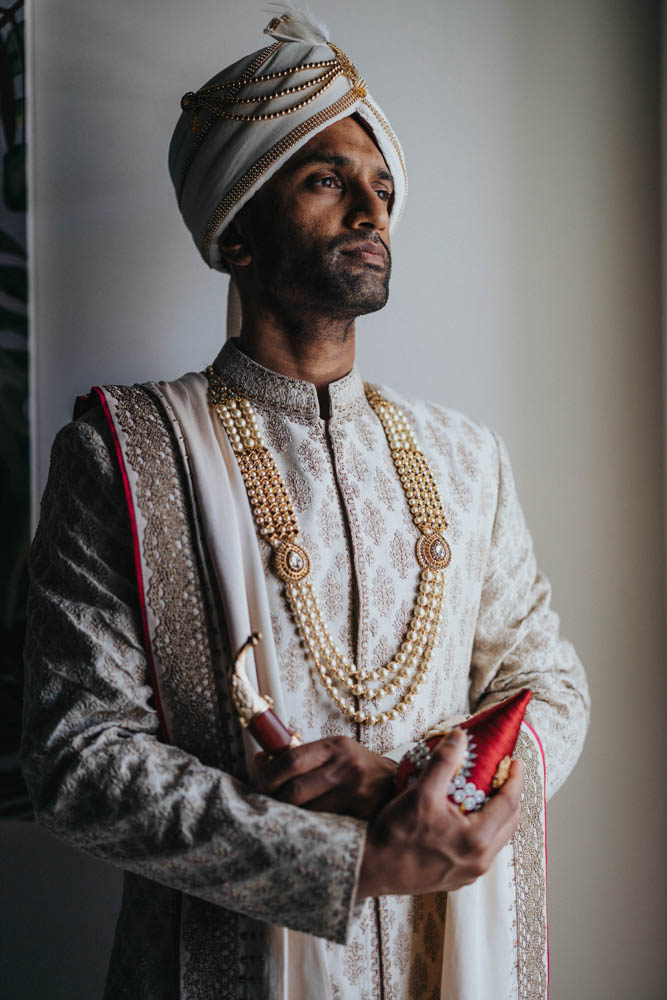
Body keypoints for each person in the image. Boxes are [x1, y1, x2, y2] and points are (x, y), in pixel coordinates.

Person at [21, 9, 589, 1000]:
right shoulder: (124, 450)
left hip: (437, 962)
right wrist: (356, 862)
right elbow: (79, 757)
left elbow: (546, 685)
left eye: (380, 188)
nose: (370, 211)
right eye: (326, 181)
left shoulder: (465, 459)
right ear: (233, 231)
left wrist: (426, 791)